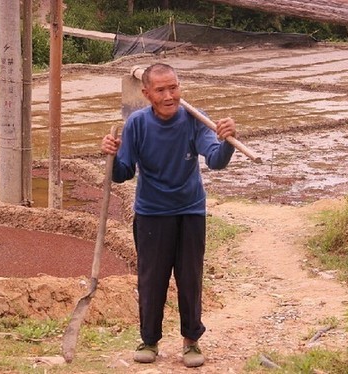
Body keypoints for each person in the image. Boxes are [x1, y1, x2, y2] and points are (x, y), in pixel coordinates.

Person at [101, 63, 237, 368]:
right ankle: (149, 340)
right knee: (152, 280)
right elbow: (123, 173)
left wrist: (226, 142)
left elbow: (214, 161)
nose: (168, 95)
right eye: (160, 90)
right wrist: (110, 154)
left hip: (189, 210)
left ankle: (191, 342)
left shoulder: (193, 119)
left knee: (190, 279)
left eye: (173, 87)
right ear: (147, 93)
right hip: (152, 213)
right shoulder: (136, 124)